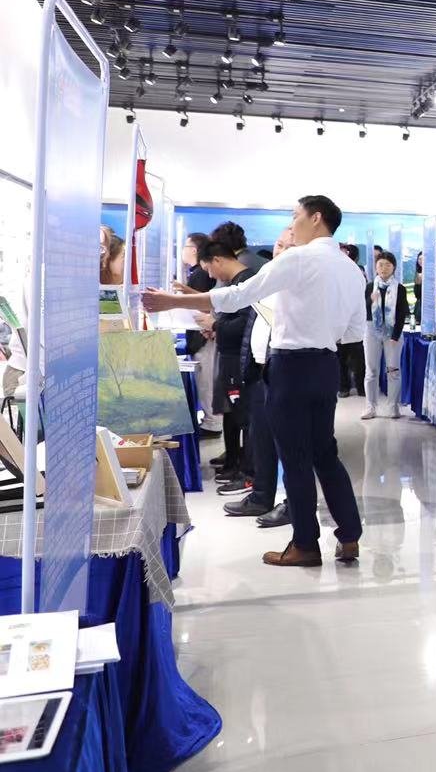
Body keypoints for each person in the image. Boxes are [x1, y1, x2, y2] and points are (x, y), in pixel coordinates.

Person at [144, 195, 367, 568]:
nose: (292, 225)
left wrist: (173, 301)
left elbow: (238, 295)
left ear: (316, 218)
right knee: (325, 454)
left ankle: (305, 545)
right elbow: (354, 332)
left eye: (295, 216)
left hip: (291, 366)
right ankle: (349, 537)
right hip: (326, 366)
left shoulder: (298, 258)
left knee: (295, 458)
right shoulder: (351, 270)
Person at [227, 227, 295, 524]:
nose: (281, 252)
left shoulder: (300, 282)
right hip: (258, 369)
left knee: (290, 444)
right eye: (279, 245)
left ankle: (293, 504)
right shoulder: (267, 276)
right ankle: (260, 496)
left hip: (285, 371)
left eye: (289, 247)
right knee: (261, 438)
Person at [197, 240, 257, 495]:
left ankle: (247, 473)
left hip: (239, 360)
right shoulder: (237, 282)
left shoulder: (247, 282)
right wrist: (216, 327)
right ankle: (235, 463)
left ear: (218, 260)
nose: (211, 276)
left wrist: (215, 325)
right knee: (233, 415)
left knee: (244, 417)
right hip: (231, 356)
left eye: (209, 269)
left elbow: (244, 325)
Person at [181, 232, 225, 437]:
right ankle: (211, 421)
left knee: (207, 381)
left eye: (185, 246)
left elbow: (204, 304)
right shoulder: (198, 273)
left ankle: (212, 423)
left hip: (205, 336)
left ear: (194, 250)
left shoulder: (199, 274)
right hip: (204, 334)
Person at [362, 251, 408, 421]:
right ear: (376, 267)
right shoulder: (369, 286)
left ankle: (393, 406)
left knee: (393, 370)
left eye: (388, 265)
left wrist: (395, 336)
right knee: (371, 370)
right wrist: (370, 300)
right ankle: (370, 406)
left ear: (393, 267)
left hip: (392, 332)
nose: (384, 268)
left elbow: (402, 314)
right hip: (371, 330)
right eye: (381, 264)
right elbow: (363, 310)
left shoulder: (400, 288)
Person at [337, 244, 367, 396]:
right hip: (338, 322)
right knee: (340, 360)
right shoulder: (334, 271)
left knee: (358, 360)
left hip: (354, 322)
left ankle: (361, 387)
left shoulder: (357, 271)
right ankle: (344, 387)